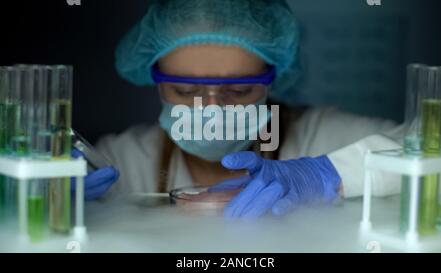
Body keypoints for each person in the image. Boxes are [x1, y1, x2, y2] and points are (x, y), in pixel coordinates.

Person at [77, 0, 404, 219]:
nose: (212, 109)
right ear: (157, 84)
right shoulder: (119, 163)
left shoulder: (322, 137)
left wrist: (332, 174)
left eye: (239, 89)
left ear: (272, 81)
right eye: (186, 89)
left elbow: (437, 141)